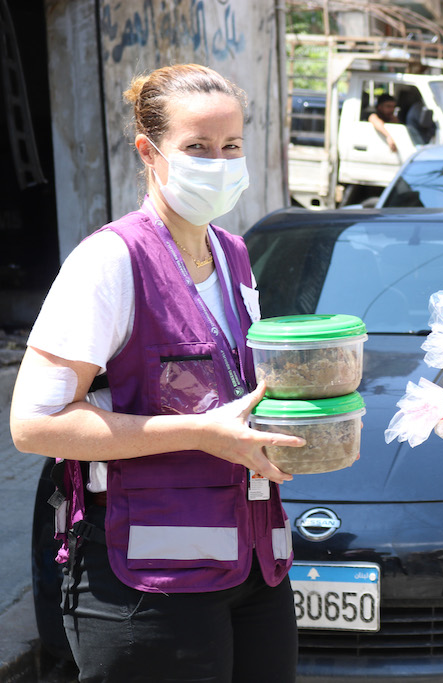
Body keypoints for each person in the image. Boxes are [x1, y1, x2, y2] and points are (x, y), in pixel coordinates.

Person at [9, 64, 307, 681]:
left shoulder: (234, 255)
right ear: (150, 152)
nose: (219, 163)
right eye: (197, 148)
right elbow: (34, 426)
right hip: (147, 585)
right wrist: (200, 434)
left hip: (256, 567)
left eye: (231, 147)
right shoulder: (110, 262)